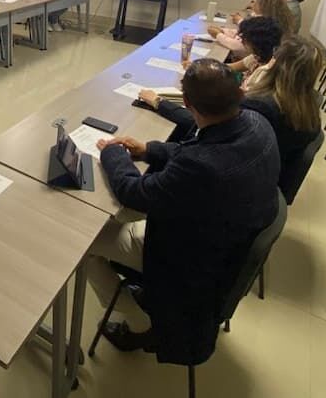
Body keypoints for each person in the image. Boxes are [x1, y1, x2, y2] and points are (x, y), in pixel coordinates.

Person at [89, 59, 280, 366]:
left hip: (189, 260)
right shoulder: (257, 123)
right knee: (123, 218)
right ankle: (142, 295)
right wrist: (149, 150)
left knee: (86, 240)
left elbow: (133, 192)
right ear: (240, 94)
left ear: (188, 104)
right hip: (224, 240)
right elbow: (197, 149)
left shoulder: (201, 167)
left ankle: (140, 325)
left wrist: (113, 153)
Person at [242, 36, 324, 197]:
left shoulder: (260, 106)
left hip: (249, 183)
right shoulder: (310, 107)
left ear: (278, 64)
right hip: (271, 177)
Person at [229, 16, 282, 93]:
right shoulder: (257, 57)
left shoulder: (266, 72)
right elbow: (231, 67)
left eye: (245, 38)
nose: (242, 41)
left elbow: (247, 96)